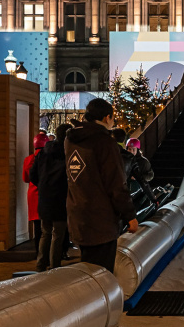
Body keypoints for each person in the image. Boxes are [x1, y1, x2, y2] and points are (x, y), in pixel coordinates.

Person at [65, 98, 138, 271]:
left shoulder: (70, 140)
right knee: (101, 274)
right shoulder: (105, 142)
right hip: (101, 220)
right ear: (107, 118)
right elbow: (115, 183)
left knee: (86, 270)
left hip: (77, 215)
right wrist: (130, 215)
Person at [30, 124, 72, 272]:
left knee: (45, 232)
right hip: (60, 197)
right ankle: (55, 266)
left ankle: (40, 264)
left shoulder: (43, 152)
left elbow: (32, 175)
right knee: (58, 234)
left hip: (44, 197)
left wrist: (42, 186)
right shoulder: (67, 153)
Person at [23, 133, 48, 253]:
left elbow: (25, 179)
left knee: (37, 226)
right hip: (45, 194)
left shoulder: (28, 159)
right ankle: (45, 252)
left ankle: (38, 251)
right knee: (47, 226)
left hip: (32, 194)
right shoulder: (48, 159)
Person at [122, 137, 156, 206]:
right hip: (126, 191)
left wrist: (140, 177)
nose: (131, 151)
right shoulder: (124, 160)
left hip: (139, 191)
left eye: (133, 149)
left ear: (137, 150)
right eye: (129, 149)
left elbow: (150, 175)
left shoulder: (143, 162)